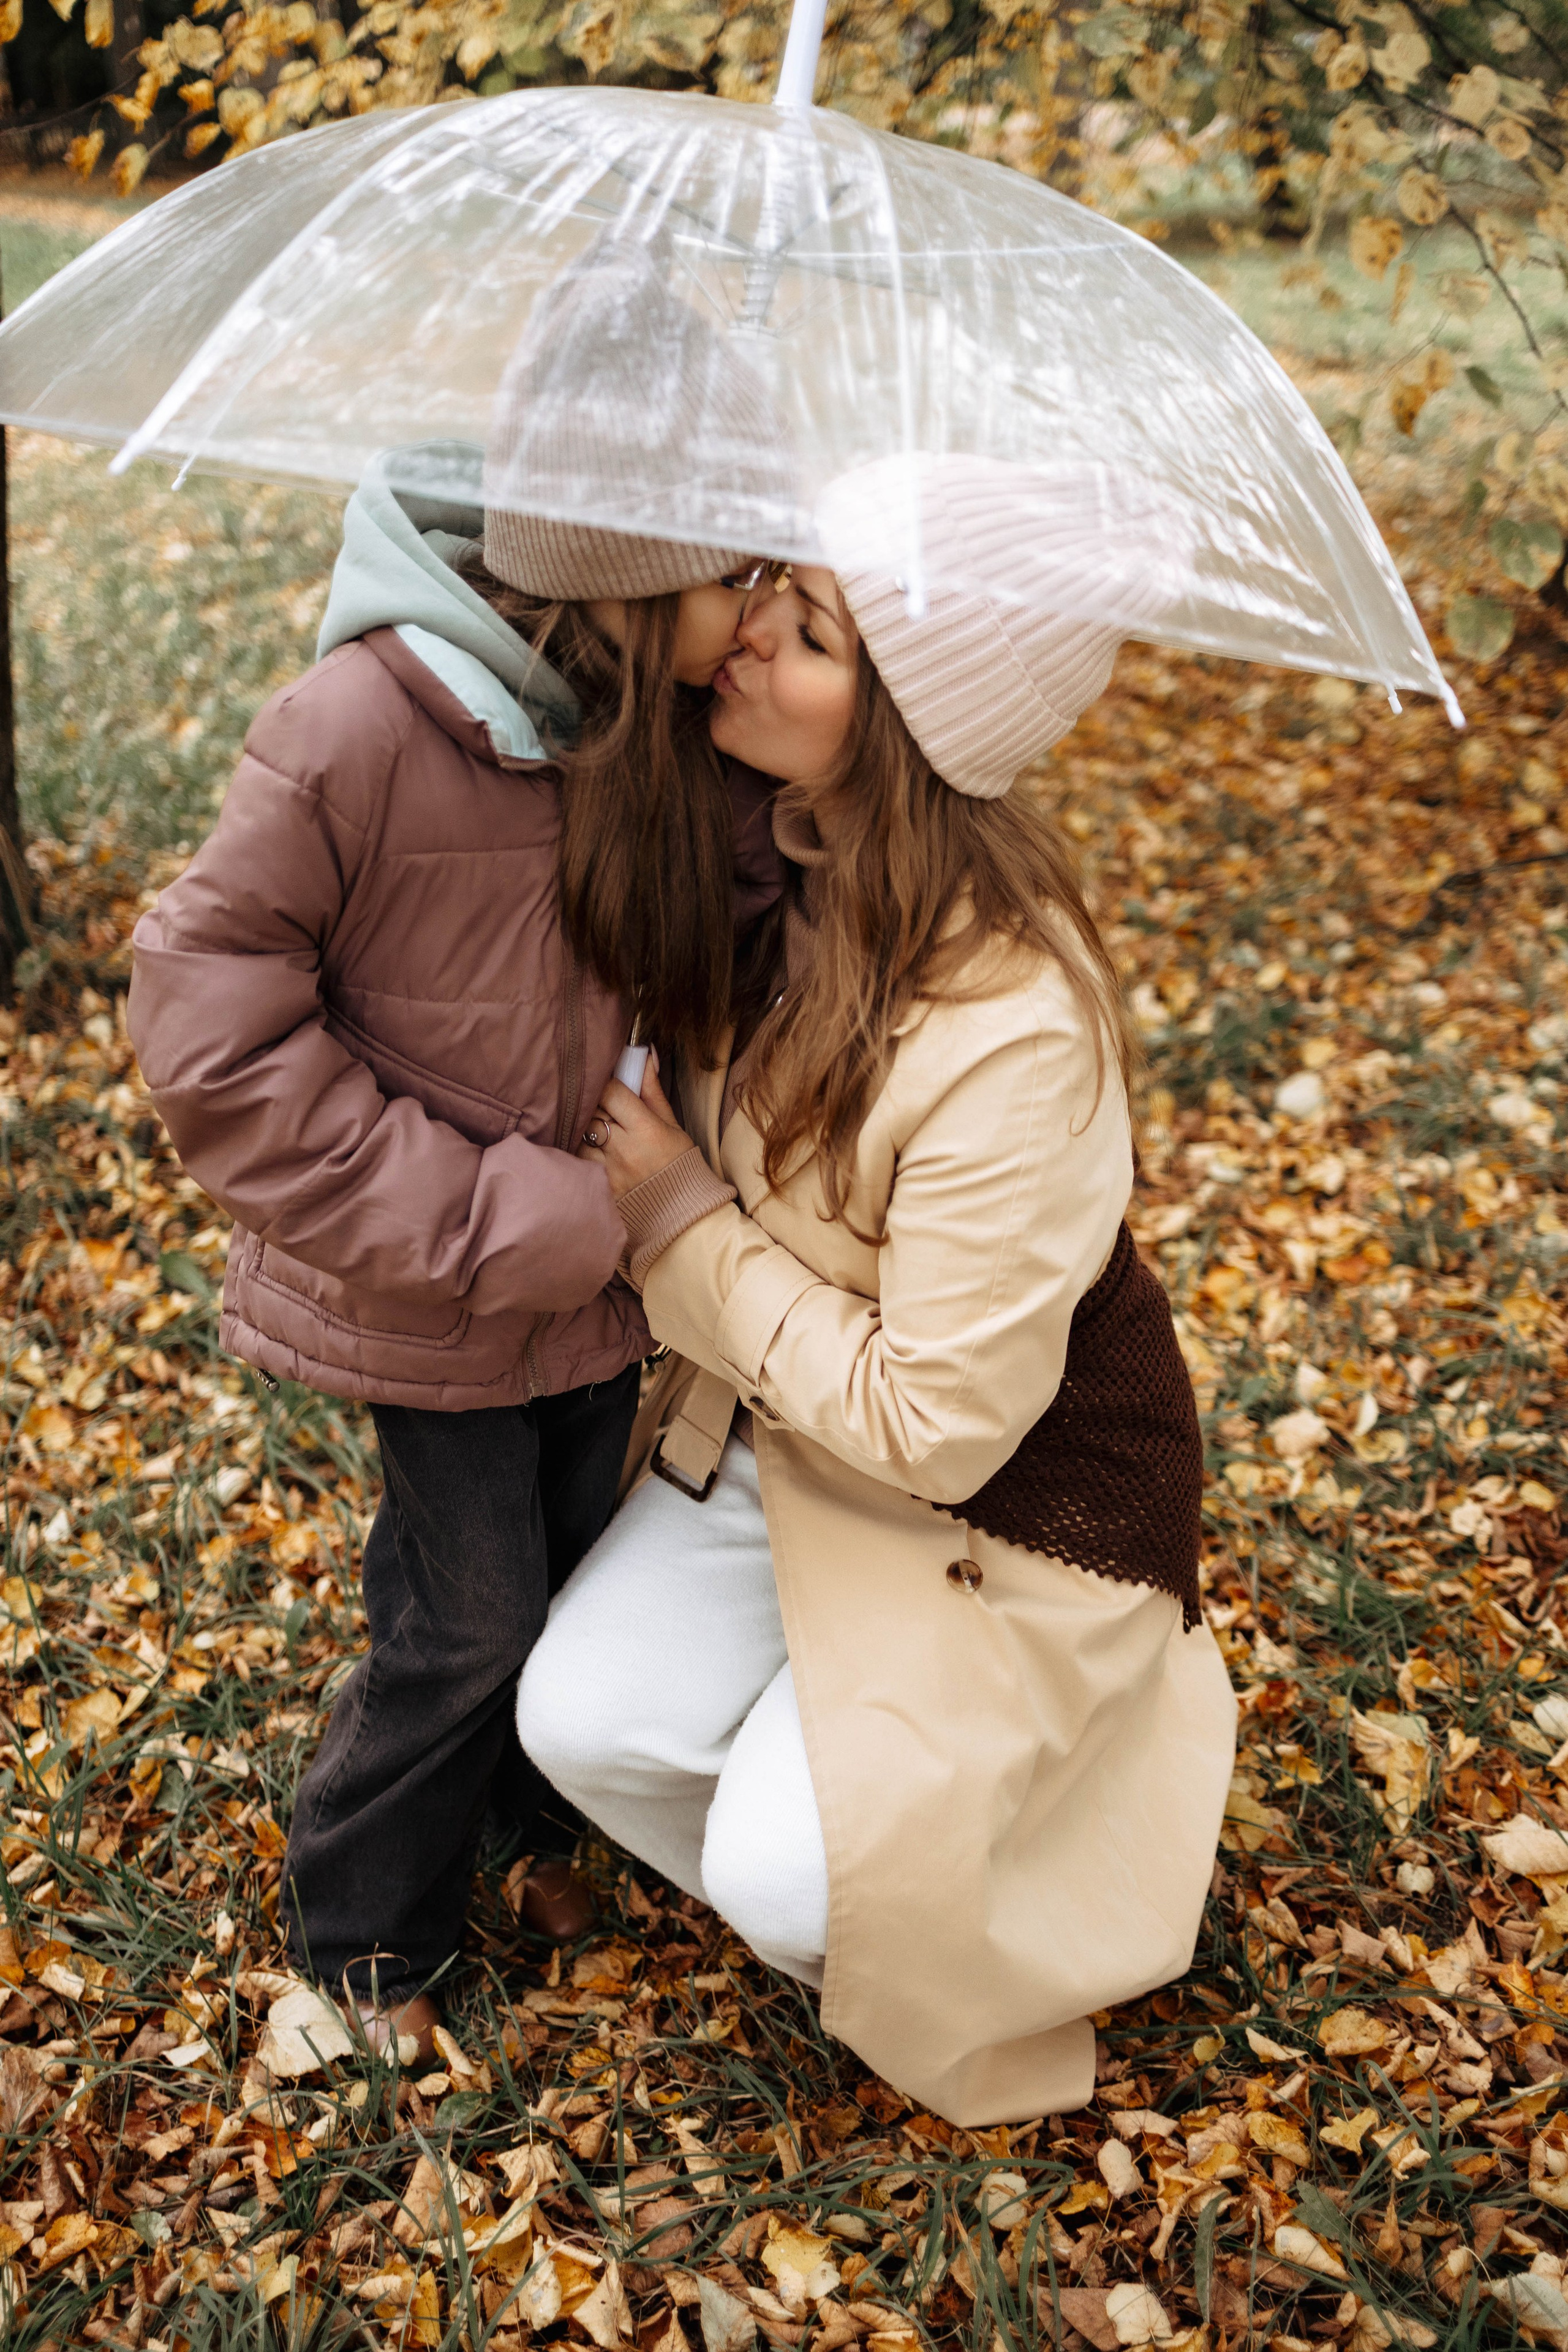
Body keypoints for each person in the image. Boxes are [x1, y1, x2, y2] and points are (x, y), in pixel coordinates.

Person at [127, 240, 791, 2062]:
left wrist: (806, 822)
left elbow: (735, 938)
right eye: (727, 574)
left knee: (573, 1577)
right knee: (466, 1610)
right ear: (620, 572)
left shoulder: (665, 734)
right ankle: (358, 1939)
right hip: (439, 1285)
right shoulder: (357, 732)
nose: (752, 613)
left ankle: (520, 1838)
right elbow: (207, 1026)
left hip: (608, 1275)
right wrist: (507, 1216)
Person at [516, 453, 1238, 2127]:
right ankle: (862, 1780)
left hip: (1009, 1515)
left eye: (812, 628)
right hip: (780, 1442)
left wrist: (686, 1223)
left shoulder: (1018, 1026)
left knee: (782, 1884)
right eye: (772, 587)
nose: (747, 634)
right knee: (578, 1720)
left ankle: (1068, 1791)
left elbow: (940, 1423)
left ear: (905, 725)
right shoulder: (767, 856)